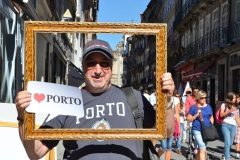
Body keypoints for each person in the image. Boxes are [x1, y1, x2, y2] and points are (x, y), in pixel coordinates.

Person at [15, 39, 175, 160]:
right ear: (83, 65)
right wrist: (23, 117)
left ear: (111, 67)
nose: (98, 70)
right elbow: (35, 152)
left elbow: (166, 132)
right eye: (91, 64)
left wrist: (167, 101)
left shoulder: (132, 97)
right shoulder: (65, 101)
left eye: (104, 64)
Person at [187, 90, 214, 160]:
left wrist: (211, 126)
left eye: (205, 98)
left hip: (207, 130)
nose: (204, 99)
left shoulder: (208, 107)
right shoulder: (194, 107)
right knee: (202, 148)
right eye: (202, 98)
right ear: (198, 98)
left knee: (201, 149)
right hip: (197, 129)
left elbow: (211, 117)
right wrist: (195, 115)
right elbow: (188, 119)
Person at [158, 92, 180, 159]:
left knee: (169, 147)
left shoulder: (175, 100)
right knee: (163, 146)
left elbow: (177, 113)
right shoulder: (161, 99)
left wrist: (178, 128)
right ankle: (155, 157)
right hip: (163, 127)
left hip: (172, 126)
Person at [220, 92, 240, 160]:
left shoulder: (236, 106)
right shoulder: (224, 105)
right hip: (225, 125)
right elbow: (221, 115)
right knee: (227, 143)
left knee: (230, 143)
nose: (235, 99)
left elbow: (237, 118)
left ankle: (224, 154)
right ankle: (227, 158)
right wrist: (230, 110)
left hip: (233, 126)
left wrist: (239, 125)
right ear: (230, 99)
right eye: (234, 98)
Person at [185, 86, 199, 154]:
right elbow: (187, 108)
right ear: (192, 92)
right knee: (192, 133)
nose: (196, 93)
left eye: (197, 92)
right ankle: (194, 145)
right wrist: (189, 115)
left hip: (199, 117)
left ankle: (197, 146)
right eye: (194, 92)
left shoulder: (200, 98)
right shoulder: (189, 98)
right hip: (191, 117)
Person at [235, 94, 240, 159]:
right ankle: (237, 153)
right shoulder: (234, 106)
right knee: (237, 139)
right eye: (238, 99)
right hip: (236, 124)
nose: (239, 100)